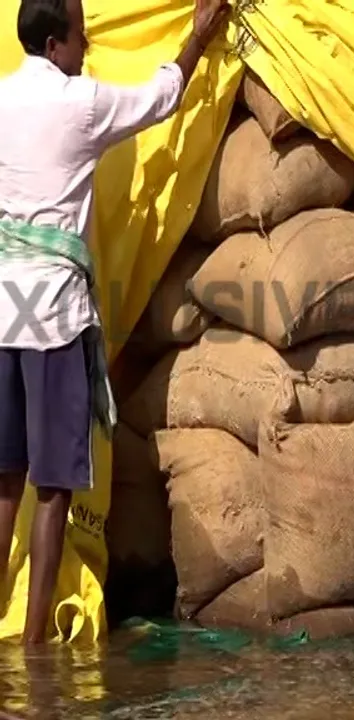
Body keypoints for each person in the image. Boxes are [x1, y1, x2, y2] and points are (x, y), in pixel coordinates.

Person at [0, 0, 230, 644]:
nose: (88, 45)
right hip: (52, 320)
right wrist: (197, 36)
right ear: (54, 43)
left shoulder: (1, 100)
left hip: (3, 314)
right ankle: (35, 640)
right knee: (53, 489)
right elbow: (161, 98)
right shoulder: (79, 104)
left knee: (5, 484)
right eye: (80, 35)